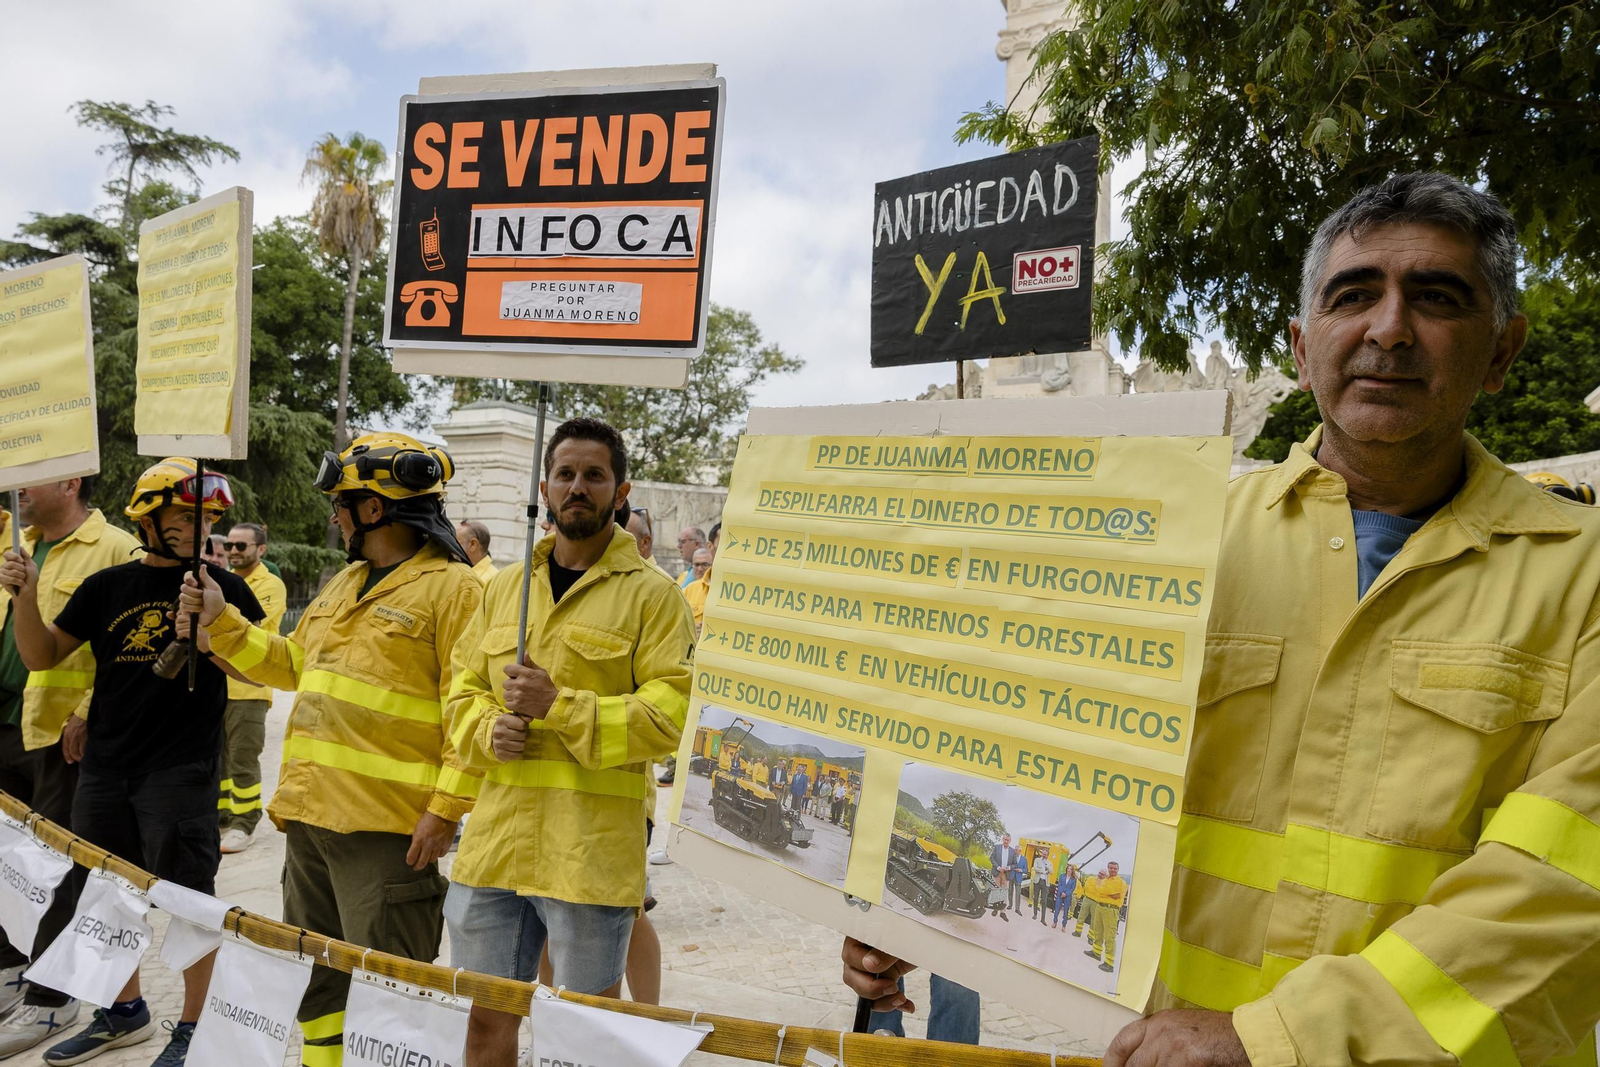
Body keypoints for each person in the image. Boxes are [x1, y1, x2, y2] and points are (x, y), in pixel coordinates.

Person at [849, 172, 1600, 1065]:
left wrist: (1279, 1038)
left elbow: (1562, 893)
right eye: (1353, 295)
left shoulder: (1583, 577)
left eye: (1437, 298)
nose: (1389, 328)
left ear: (1503, 349)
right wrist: (921, 904)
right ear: (1299, 344)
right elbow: (1049, 773)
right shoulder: (1177, 543)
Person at [181, 433, 482, 1067]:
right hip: (310, 821)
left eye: (343, 502)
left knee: (392, 989)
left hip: (387, 830)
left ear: (377, 510)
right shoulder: (347, 581)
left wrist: (446, 809)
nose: (334, 515)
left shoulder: (454, 589)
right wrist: (223, 622)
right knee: (319, 985)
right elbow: (294, 664)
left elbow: (470, 707)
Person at [442, 417, 693, 1067]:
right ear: (545, 487)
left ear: (621, 488)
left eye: (593, 474)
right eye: (565, 474)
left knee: (582, 1038)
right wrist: (482, 727)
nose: (577, 486)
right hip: (495, 849)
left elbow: (671, 716)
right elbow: (461, 689)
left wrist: (560, 706)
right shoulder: (504, 588)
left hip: (591, 854)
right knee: (483, 1024)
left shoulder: (655, 597)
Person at [2, 461, 263, 1067]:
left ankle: (195, 1029)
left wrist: (213, 627)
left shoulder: (227, 588)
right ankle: (123, 1014)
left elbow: (256, 673)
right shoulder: (107, 587)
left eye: (209, 518)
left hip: (181, 769)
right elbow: (40, 655)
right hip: (104, 769)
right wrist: (25, 592)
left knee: (190, 901)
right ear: (147, 518)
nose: (200, 528)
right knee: (105, 895)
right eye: (183, 515)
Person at [0, 479, 140, 1056]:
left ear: (69, 481)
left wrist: (88, 710)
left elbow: (131, 646)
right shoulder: (15, 543)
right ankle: (11, 973)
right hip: (7, 721)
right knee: (10, 863)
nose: (15, 488)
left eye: (30, 476)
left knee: (59, 870)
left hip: (63, 734)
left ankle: (53, 1000)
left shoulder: (116, 548)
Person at [216, 522, 287, 854]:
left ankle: (245, 824)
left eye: (241, 546)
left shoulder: (270, 585)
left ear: (261, 550)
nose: (233, 551)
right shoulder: (221, 581)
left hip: (250, 687)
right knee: (219, 759)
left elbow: (248, 627)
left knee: (243, 758)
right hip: (217, 683)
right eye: (229, 545)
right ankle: (222, 816)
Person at [1081, 861, 1126, 973]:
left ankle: (1109, 963)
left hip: (1110, 910)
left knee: (1109, 936)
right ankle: (1096, 952)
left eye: (1115, 868)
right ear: (1108, 868)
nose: (1112, 870)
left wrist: (1104, 891)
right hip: (1100, 907)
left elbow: (1107, 891)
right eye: (1110, 868)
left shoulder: (1120, 882)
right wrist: (1108, 893)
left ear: (1118, 870)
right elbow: (1100, 891)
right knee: (1098, 931)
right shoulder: (1105, 880)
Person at [988, 834, 1023, 915]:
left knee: (1004, 892)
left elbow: (1015, 864)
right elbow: (992, 858)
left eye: (1008, 840)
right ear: (1002, 839)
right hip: (997, 872)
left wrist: (1009, 868)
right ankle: (995, 909)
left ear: (1010, 841)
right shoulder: (997, 847)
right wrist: (998, 867)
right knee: (996, 891)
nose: (1006, 841)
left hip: (1006, 874)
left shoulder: (1012, 851)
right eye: (1005, 839)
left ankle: (1003, 912)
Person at [456, 520, 498, 584]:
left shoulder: (493, 580)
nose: (452, 548)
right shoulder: (459, 573)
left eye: (457, 543)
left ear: (473, 544)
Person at [682, 548, 712, 633]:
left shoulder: (721, 589)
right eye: (696, 565)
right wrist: (691, 630)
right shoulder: (687, 590)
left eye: (705, 565)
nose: (700, 569)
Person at [1052, 863, 1078, 930]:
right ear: (1066, 869)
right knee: (1057, 909)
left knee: (1066, 911)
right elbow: (1059, 884)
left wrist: (1066, 894)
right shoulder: (1062, 876)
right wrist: (1061, 892)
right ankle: (1055, 922)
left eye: (1071, 869)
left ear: (1072, 871)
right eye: (1068, 868)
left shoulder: (1074, 879)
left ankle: (1064, 925)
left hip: (1067, 896)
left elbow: (1072, 888)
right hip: (1060, 894)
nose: (1069, 870)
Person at [1031, 849, 1052, 924]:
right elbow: (1035, 868)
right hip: (1037, 880)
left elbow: (1051, 872)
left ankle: (1043, 918)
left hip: (1045, 883)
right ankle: (1035, 914)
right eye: (1043, 854)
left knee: (1044, 901)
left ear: (1047, 855)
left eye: (1045, 854)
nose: (1043, 855)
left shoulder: (1049, 863)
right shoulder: (1037, 860)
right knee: (1036, 898)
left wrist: (1047, 865)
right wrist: (1043, 871)